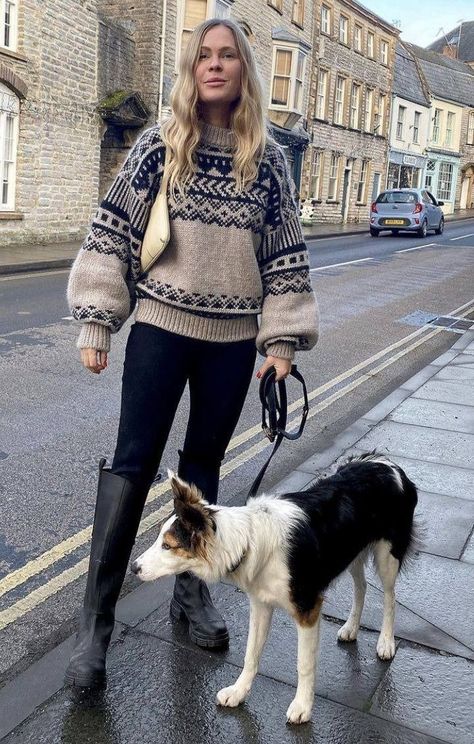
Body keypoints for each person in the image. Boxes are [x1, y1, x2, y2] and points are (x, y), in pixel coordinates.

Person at [65, 17, 319, 689]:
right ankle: (96, 626)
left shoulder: (265, 159)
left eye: (227, 55)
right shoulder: (159, 144)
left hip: (231, 344)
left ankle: (190, 592)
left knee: (202, 466)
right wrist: (97, 319)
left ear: (243, 69)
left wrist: (282, 340)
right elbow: (111, 229)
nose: (214, 65)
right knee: (131, 465)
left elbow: (285, 258)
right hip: (159, 327)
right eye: (203, 55)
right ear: (192, 67)